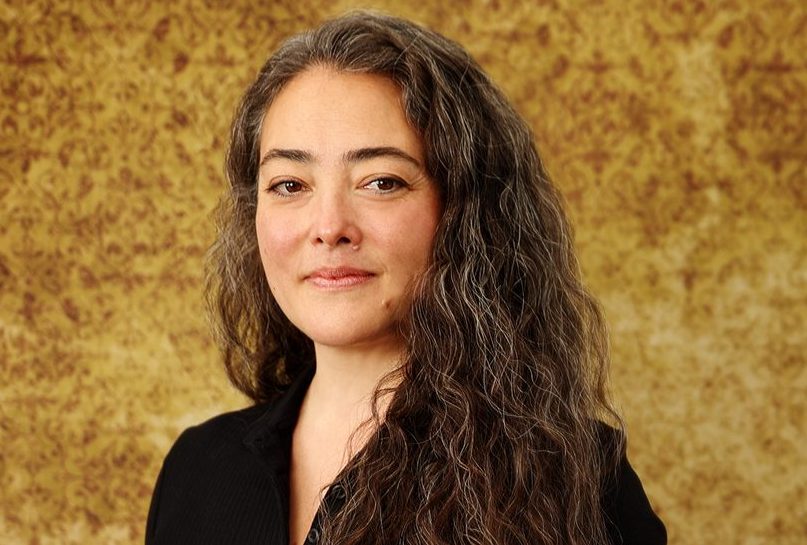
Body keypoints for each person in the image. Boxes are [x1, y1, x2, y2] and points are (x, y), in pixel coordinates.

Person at [145, 10, 666, 545]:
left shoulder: (576, 480)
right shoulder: (198, 470)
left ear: (465, 212)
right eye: (289, 184)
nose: (329, 228)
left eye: (382, 181)